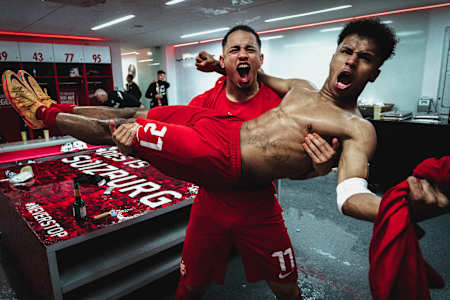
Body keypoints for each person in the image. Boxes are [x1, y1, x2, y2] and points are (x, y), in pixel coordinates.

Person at [3, 18, 449, 299]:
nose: (351, 62)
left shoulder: (357, 128)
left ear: (375, 71)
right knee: (129, 119)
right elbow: (257, 73)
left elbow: (350, 196)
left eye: (365, 58)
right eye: (347, 51)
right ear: (334, 55)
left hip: (247, 188)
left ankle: (47, 113)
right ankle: (46, 111)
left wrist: (396, 205)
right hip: (213, 148)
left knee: (286, 286)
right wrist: (218, 66)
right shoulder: (297, 86)